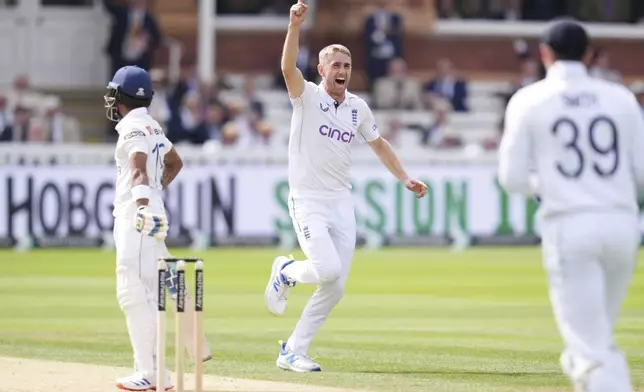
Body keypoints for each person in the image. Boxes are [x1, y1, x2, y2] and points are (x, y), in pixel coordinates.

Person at [264, 0, 428, 373]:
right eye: (335, 65)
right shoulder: (307, 97)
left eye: (347, 66)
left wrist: (404, 177)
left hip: (341, 203)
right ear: (321, 70)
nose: (342, 71)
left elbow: (379, 145)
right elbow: (287, 67)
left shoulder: (357, 108)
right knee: (326, 270)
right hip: (308, 200)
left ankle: (292, 349)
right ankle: (287, 271)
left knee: (335, 286)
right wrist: (294, 26)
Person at [498, 19, 644, 392]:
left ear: (545, 54)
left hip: (570, 225)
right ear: (590, 54)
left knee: (590, 347)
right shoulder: (621, 98)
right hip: (622, 225)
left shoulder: (529, 99)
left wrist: (544, 185)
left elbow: (511, 178)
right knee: (597, 337)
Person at [105, 65, 201, 391]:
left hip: (137, 217)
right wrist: (155, 197)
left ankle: (150, 372)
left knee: (135, 293)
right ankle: (157, 371)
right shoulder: (153, 125)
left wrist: (145, 205)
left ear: (120, 97)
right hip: (147, 214)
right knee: (147, 293)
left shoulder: (132, 126)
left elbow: (138, 168)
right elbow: (175, 162)